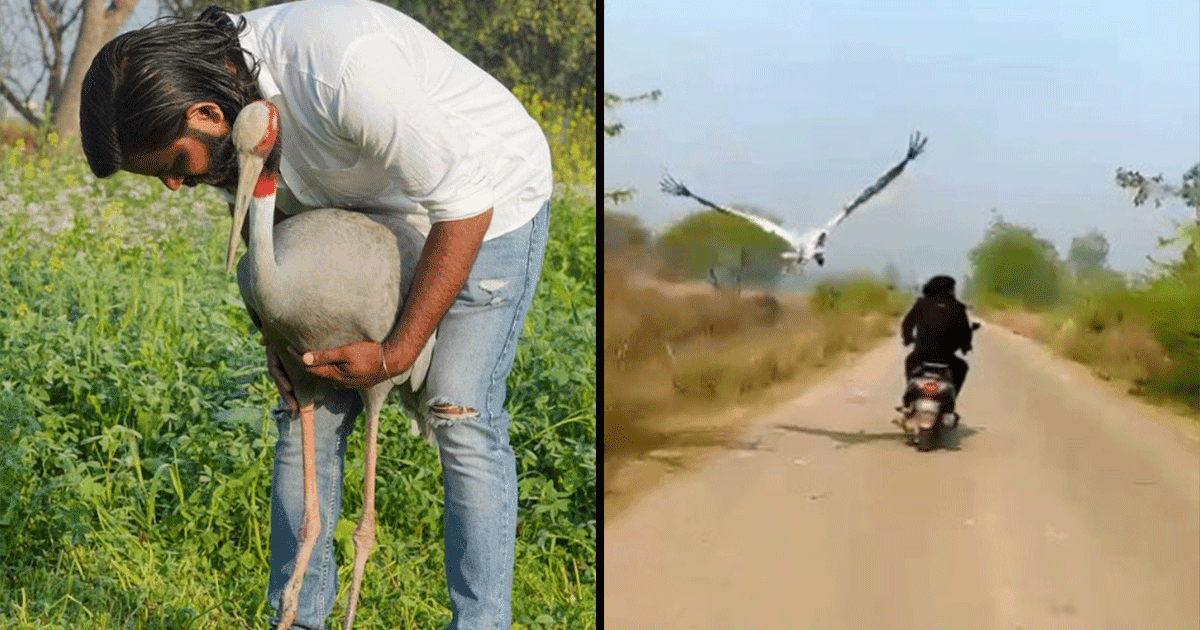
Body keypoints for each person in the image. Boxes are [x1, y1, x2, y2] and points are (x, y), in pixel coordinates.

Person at [79, 1, 553, 628]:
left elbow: (463, 205)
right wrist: (280, 328)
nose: (173, 186)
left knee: (457, 411)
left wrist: (395, 354)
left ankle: (481, 623)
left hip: (481, 203)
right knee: (306, 409)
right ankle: (298, 618)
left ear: (206, 115)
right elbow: (258, 215)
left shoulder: (342, 66)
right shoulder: (223, 110)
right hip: (354, 218)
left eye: (171, 167)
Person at [898, 275, 973, 408]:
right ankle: (950, 401)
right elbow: (965, 332)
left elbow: (907, 324)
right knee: (962, 367)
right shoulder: (958, 307)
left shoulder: (921, 304)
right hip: (946, 358)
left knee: (909, 362)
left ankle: (909, 397)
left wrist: (907, 339)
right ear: (950, 290)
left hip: (921, 354)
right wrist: (965, 347)